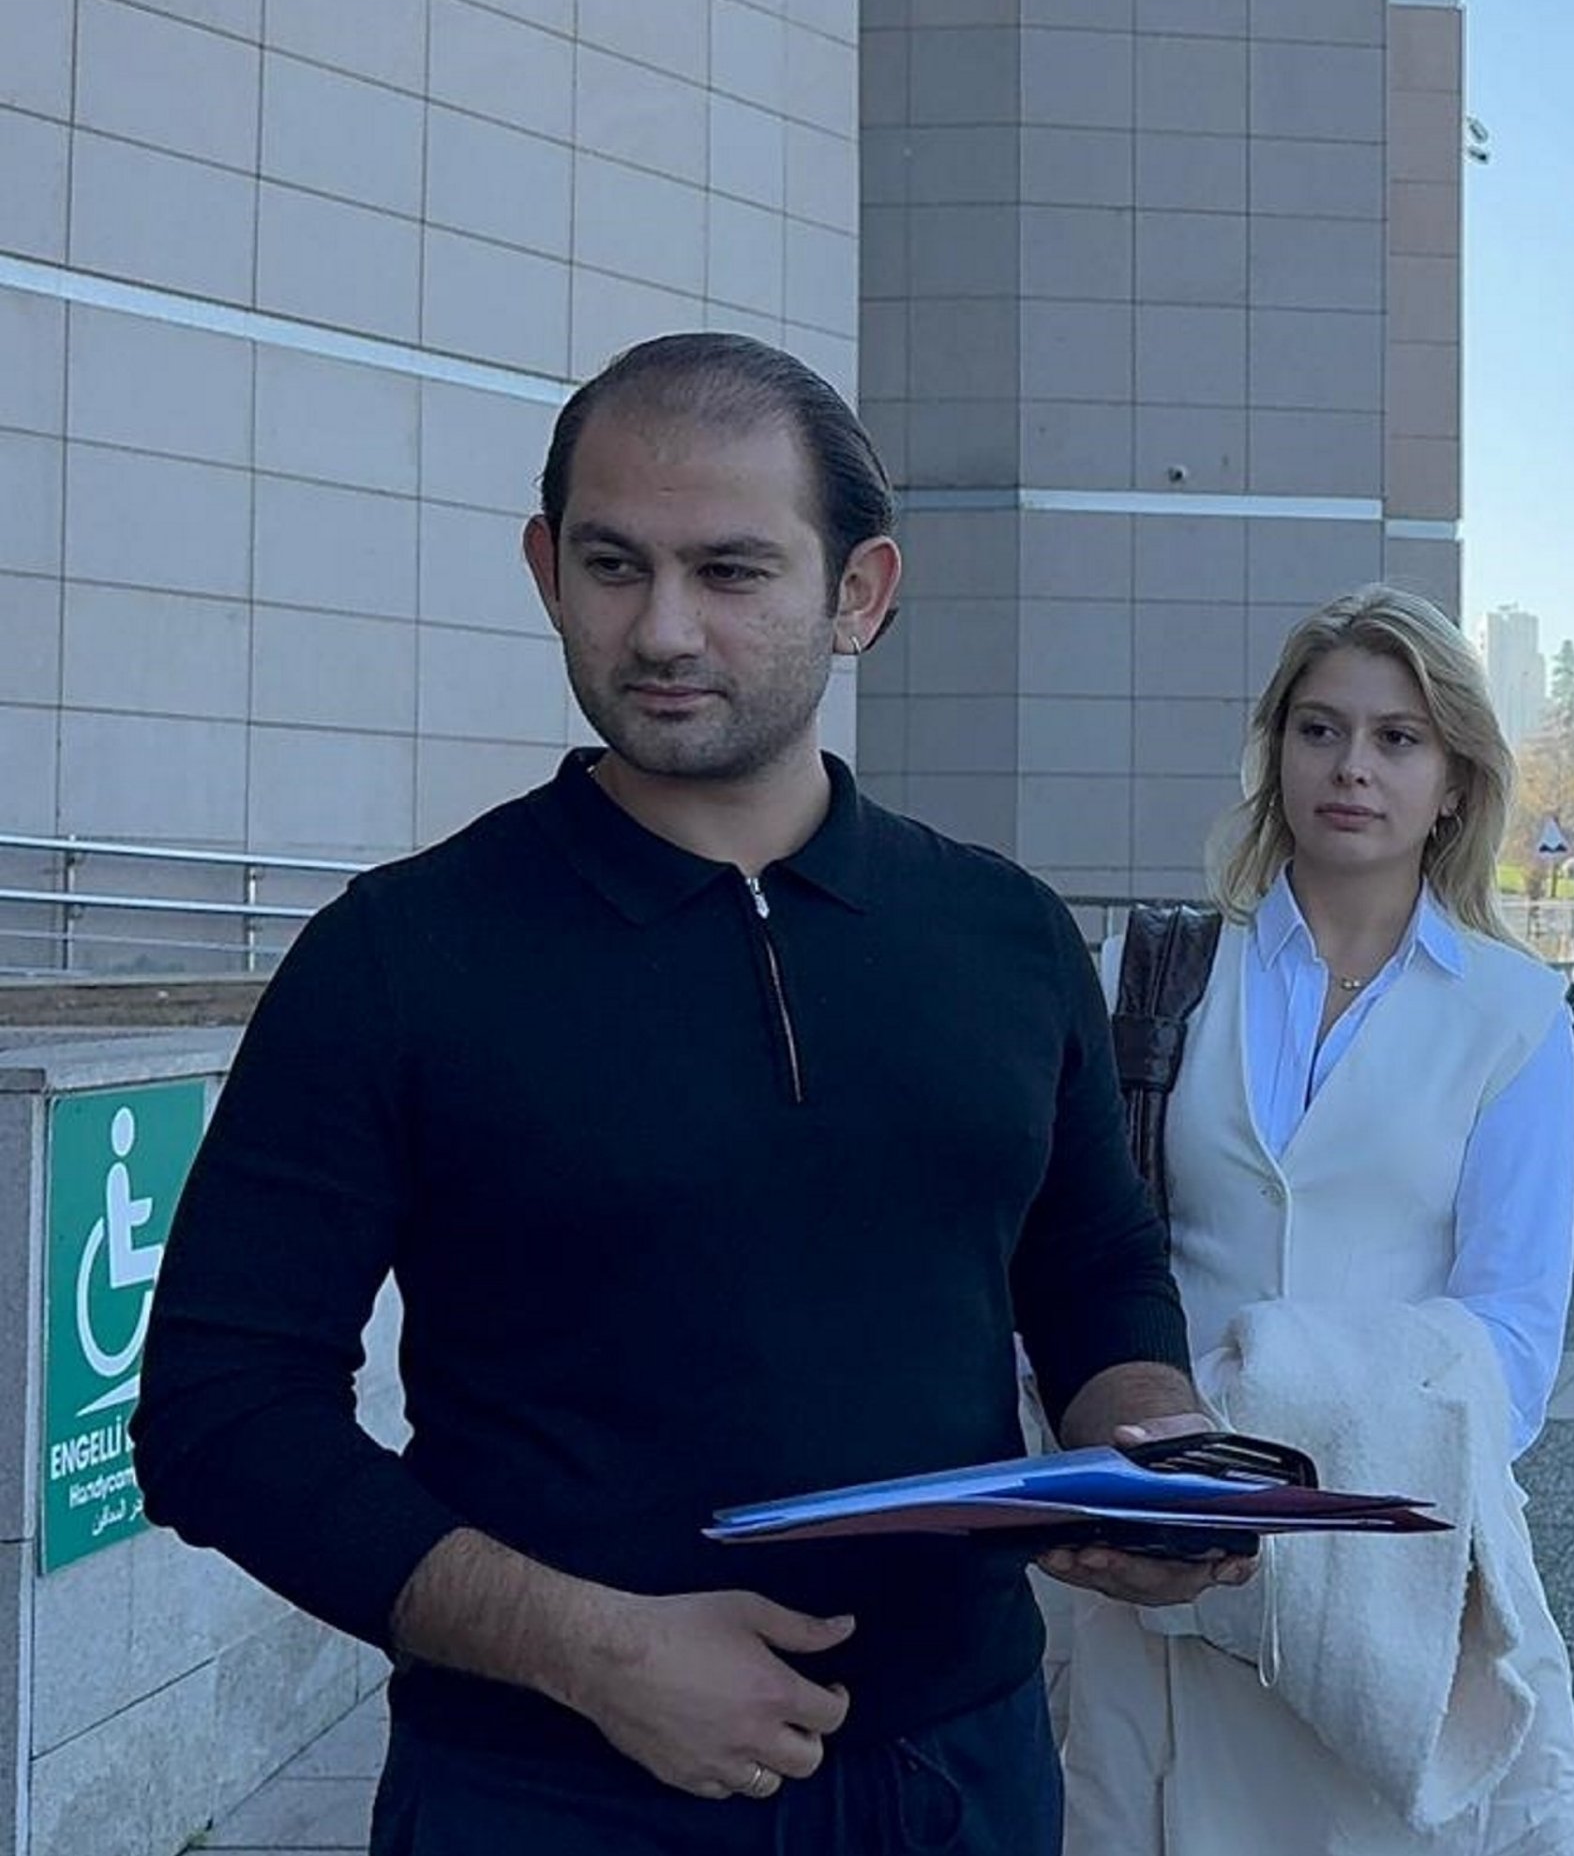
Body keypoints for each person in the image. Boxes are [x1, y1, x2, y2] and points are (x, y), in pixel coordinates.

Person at [131, 335, 1239, 1856]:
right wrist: (592, 1651)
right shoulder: (399, 957)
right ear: (546, 571)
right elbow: (221, 1413)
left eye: (730, 571)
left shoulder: (1007, 935)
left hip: (962, 1776)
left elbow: (1092, 1265)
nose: (662, 628)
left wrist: (1151, 1437)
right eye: (613, 565)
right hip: (544, 1794)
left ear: (860, 594)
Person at [1057, 586, 1574, 1854]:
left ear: (1453, 784)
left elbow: (1513, 1350)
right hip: (1171, 1557)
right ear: (1277, 752)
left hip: (1391, 1579)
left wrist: (1285, 1421)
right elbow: (1077, 1255)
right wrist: (1168, 1462)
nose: (1353, 766)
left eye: (1397, 738)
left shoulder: (1515, 1015)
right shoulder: (1151, 974)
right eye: (1320, 729)